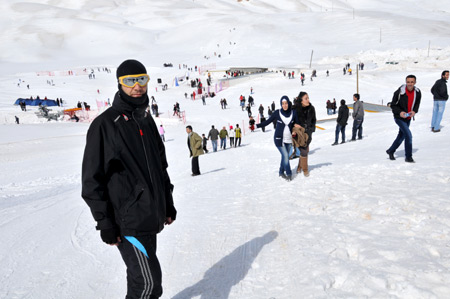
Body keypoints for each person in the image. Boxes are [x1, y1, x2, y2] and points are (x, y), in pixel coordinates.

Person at [81, 59, 176, 299]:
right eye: (130, 81)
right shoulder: (105, 125)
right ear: (120, 84)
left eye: (142, 79)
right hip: (128, 223)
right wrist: (105, 223)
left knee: (141, 280)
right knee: (148, 285)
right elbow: (92, 181)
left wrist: (167, 202)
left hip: (149, 217)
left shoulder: (146, 119)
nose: (137, 86)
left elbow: (160, 167)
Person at [257, 96, 296, 181]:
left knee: (284, 156)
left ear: (288, 103)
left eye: (286, 103)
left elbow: (296, 123)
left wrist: (296, 129)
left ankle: (281, 172)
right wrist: (257, 125)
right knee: (285, 155)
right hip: (279, 139)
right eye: (283, 104)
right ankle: (289, 173)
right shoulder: (277, 113)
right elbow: (267, 122)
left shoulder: (293, 113)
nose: (284, 105)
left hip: (289, 139)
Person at [386, 75, 421, 163]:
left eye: (412, 82)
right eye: (408, 82)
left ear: (415, 82)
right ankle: (408, 157)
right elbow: (393, 105)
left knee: (402, 136)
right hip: (399, 117)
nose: (410, 84)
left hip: (408, 117)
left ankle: (391, 150)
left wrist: (414, 111)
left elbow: (417, 103)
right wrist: (400, 112)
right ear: (406, 82)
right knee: (408, 135)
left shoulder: (417, 92)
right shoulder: (399, 92)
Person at [293, 92, 316, 176]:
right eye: (306, 98)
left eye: (308, 98)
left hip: (308, 133)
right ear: (301, 100)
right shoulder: (295, 109)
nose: (308, 100)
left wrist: (311, 129)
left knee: (305, 150)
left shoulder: (311, 108)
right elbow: (291, 119)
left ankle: (299, 166)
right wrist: (294, 125)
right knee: (304, 151)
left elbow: (314, 120)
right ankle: (305, 170)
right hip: (300, 133)